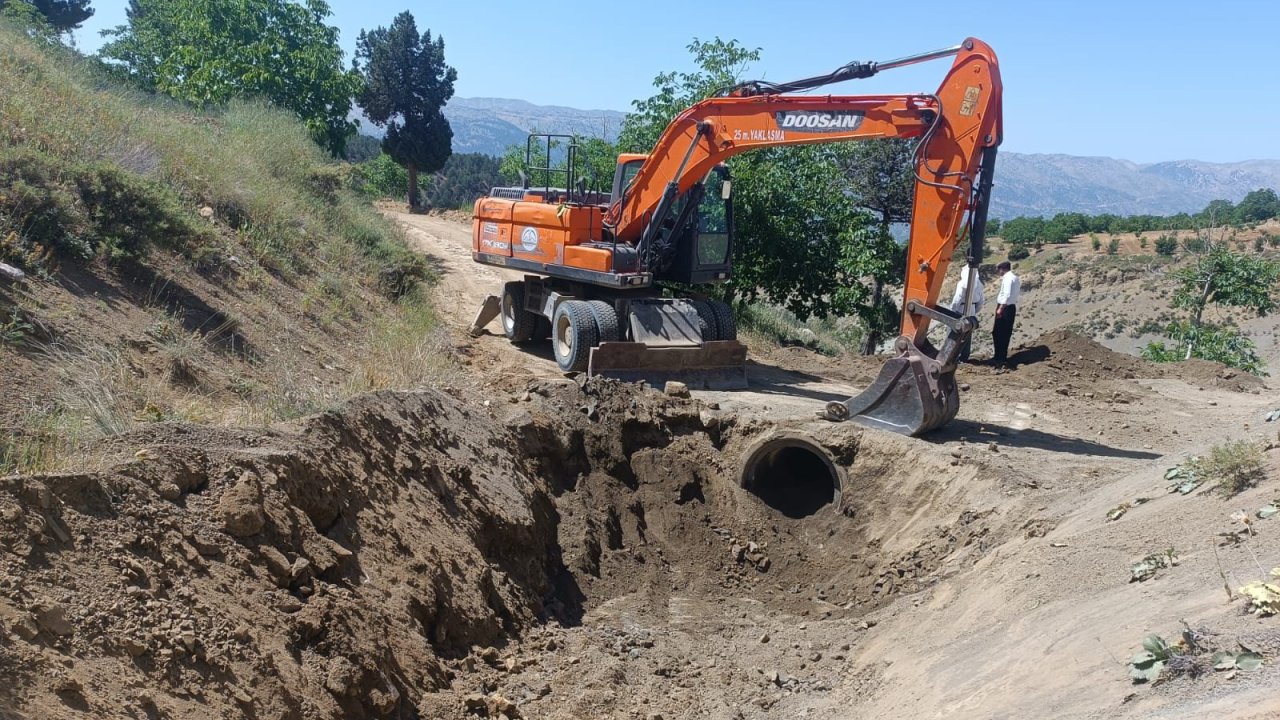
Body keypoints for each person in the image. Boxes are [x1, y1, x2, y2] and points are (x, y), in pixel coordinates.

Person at [948, 264, 984, 362]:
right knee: (967, 335)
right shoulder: (979, 284)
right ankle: (964, 356)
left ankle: (952, 356)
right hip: (971, 311)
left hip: (960, 310)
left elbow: (957, 299)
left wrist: (952, 311)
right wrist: (974, 310)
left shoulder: (962, 283)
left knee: (954, 333)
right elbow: (981, 301)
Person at [992, 260, 1021, 366]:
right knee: (1005, 333)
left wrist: (1001, 308)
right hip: (1011, 307)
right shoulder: (1015, 278)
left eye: (999, 269)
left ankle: (999, 357)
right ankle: (1001, 356)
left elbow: (1007, 294)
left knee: (999, 333)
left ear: (1002, 269)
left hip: (1005, 307)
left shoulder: (1008, 279)